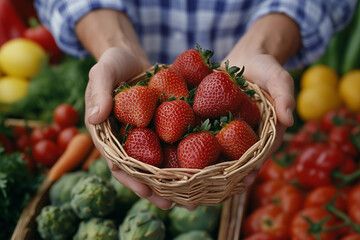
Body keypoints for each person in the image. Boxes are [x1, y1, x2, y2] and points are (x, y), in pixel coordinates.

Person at [35, 0, 357, 209]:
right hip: (144, 73)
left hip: (244, 65)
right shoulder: (155, 106)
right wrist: (113, 45)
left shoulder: (207, 109)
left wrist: (263, 45)